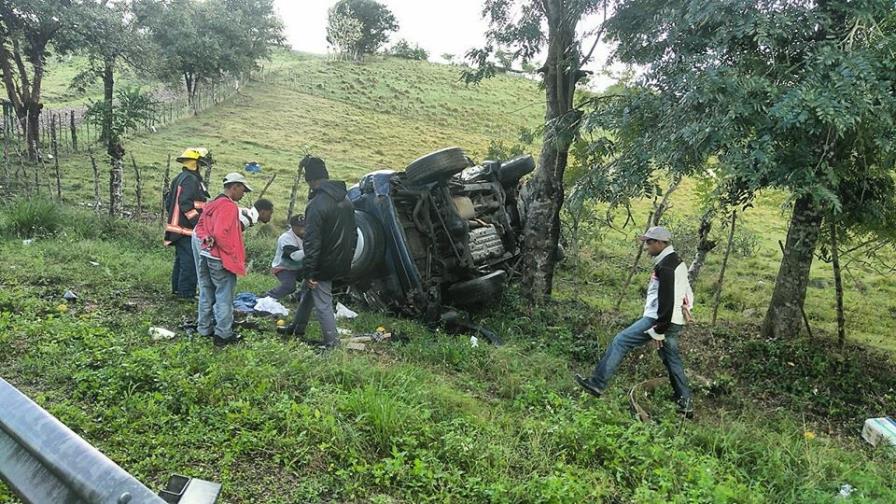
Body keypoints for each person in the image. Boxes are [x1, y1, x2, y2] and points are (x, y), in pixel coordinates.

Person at [575, 226, 696, 416]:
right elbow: (687, 292)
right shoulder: (676, 261)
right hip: (674, 319)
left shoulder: (666, 267)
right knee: (672, 360)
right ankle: (685, 403)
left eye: (649, 242)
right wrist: (685, 310)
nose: (646, 247)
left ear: (660, 243)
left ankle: (597, 384)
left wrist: (659, 328)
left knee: (621, 341)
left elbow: (667, 300)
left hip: (659, 319)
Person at [278, 156, 357, 350]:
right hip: (342, 259)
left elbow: (312, 242)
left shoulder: (317, 204)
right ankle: (297, 328)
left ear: (311, 181)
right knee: (309, 293)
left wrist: (310, 272)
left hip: (323, 261)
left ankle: (332, 344)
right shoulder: (346, 200)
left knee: (322, 301)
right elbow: (353, 234)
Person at [192, 172, 253, 347]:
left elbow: (201, 227)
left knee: (206, 291)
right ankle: (223, 334)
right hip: (220, 258)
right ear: (234, 187)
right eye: (243, 190)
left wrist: (206, 239)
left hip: (205, 254)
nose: (243, 194)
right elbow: (221, 234)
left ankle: (204, 329)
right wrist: (232, 255)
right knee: (224, 296)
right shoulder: (229, 206)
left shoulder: (212, 204)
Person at [164, 148, 210, 300]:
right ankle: (186, 294)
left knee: (181, 260)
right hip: (186, 229)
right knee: (190, 261)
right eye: (200, 164)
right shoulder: (191, 180)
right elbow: (185, 203)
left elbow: (169, 202)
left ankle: (177, 290)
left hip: (177, 227)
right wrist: (198, 223)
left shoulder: (180, 177)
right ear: (195, 164)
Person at [265, 214, 306, 300]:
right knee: (289, 286)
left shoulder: (307, 236)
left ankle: (297, 297)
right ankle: (268, 297)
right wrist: (312, 249)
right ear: (293, 227)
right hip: (283, 268)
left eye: (305, 225)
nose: (304, 228)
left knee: (315, 279)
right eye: (300, 226)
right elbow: (295, 256)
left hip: (300, 267)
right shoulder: (286, 238)